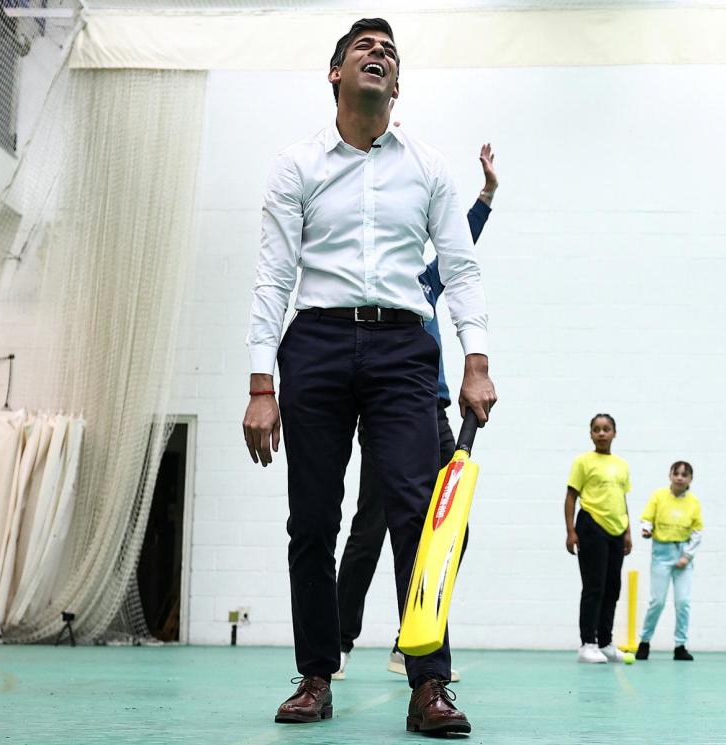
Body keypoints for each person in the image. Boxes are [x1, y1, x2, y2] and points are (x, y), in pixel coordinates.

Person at [241, 18, 497, 735]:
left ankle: (430, 683)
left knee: (419, 516)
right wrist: (262, 385)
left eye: (389, 51)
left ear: (397, 82)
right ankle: (316, 675)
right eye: (365, 47)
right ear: (336, 74)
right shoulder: (297, 165)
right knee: (314, 519)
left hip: (401, 349)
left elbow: (460, 267)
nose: (379, 54)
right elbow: (272, 276)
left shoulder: (430, 166)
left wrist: (475, 359)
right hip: (315, 345)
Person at [334, 143, 499, 683]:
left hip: (432, 414)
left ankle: (415, 636)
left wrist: (486, 196)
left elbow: (462, 242)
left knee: (453, 528)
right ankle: (339, 637)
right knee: (372, 528)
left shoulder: (424, 285)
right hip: (385, 414)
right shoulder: (380, 291)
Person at [564, 413, 632, 664]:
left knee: (613, 588)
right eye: (596, 429)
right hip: (591, 525)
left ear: (614, 432)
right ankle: (587, 644)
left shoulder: (621, 465)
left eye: (606, 429)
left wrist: (627, 531)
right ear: (591, 434)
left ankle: (605, 643)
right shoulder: (583, 462)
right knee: (594, 587)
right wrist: (571, 531)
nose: (601, 433)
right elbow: (571, 496)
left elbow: (622, 498)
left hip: (617, 530)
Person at [635, 461, 703, 661]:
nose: (680, 478)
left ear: (690, 479)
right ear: (670, 475)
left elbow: (697, 532)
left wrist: (687, 556)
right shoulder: (658, 497)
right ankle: (644, 642)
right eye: (677, 473)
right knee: (657, 601)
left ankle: (680, 646)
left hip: (683, 554)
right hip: (661, 553)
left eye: (685, 475)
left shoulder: (694, 503)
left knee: (683, 602)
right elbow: (647, 518)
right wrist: (646, 529)